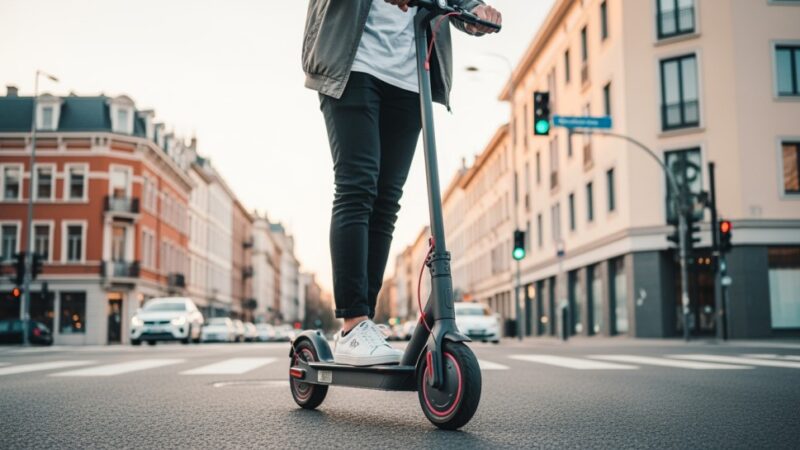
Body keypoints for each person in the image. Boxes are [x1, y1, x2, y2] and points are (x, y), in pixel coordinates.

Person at [302, 0, 501, 366]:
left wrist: (473, 9)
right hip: (353, 64)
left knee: (386, 200)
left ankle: (364, 325)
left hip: (411, 74)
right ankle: (353, 321)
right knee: (357, 186)